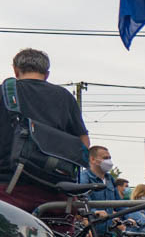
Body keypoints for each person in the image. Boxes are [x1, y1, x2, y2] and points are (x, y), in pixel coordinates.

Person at [0, 48, 91, 212]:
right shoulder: (65, 97)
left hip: (9, 187)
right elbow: (84, 142)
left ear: (15, 69)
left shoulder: (4, 93)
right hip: (56, 188)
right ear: (47, 73)